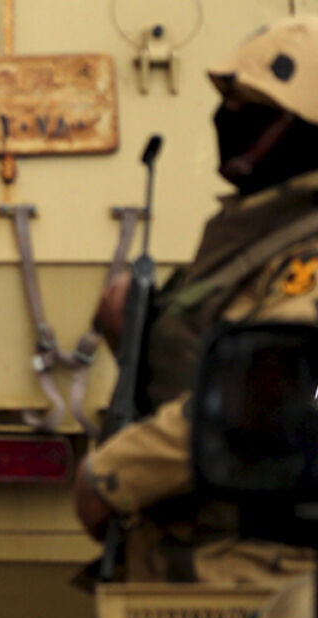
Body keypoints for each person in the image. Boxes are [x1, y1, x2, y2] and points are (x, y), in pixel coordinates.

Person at [76, 16, 318, 587]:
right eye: (228, 100)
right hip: (210, 567)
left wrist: (110, 477)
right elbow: (210, 364)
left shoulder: (301, 250)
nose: (225, 118)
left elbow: (259, 397)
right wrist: (132, 333)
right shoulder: (257, 233)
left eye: (249, 104)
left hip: (263, 581)